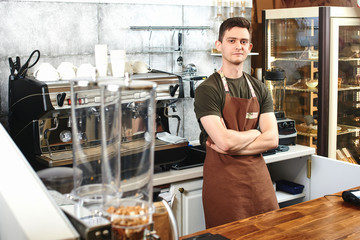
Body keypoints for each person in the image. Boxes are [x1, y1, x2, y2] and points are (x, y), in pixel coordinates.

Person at [194, 17, 280, 228]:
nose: (238, 46)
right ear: (219, 45)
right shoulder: (207, 89)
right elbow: (224, 143)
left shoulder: (259, 88)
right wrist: (254, 134)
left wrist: (233, 143)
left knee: (270, 233)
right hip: (224, 184)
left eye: (243, 41)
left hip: (259, 180)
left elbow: (272, 139)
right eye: (231, 40)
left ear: (249, 47)